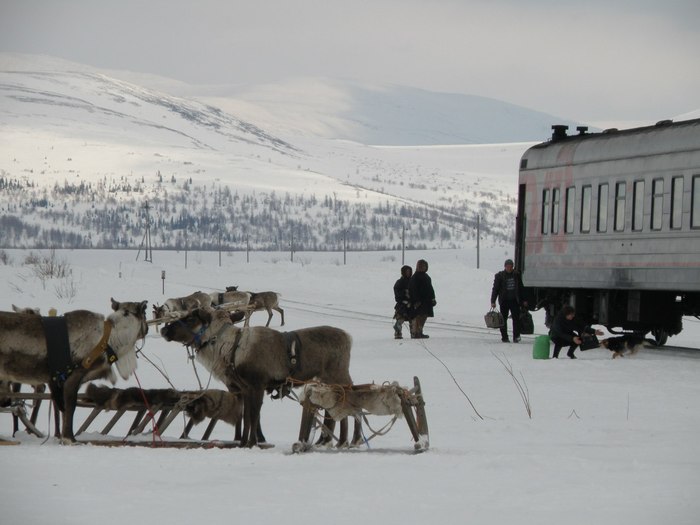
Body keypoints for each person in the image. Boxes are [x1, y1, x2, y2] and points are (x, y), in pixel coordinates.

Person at [490, 258, 526, 343]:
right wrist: (493, 301)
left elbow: (521, 289)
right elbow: (495, 289)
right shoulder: (500, 276)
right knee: (503, 320)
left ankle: (516, 336)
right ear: (505, 267)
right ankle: (504, 337)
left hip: (514, 301)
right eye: (508, 266)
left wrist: (524, 300)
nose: (509, 268)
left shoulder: (516, 275)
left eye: (511, 266)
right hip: (504, 301)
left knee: (516, 319)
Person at [409, 259, 436, 339]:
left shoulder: (427, 277)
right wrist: (416, 300)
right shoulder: (415, 277)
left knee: (424, 316)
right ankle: (416, 333)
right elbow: (413, 289)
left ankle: (419, 332)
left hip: (426, 301)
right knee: (418, 316)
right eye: (420, 266)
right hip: (419, 301)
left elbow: (430, 289)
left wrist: (433, 298)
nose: (421, 267)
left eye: (423, 266)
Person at [392, 265, 413, 339]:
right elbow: (397, 292)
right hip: (402, 304)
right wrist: (403, 297)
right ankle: (398, 332)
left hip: (411, 304)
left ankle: (414, 333)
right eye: (407, 271)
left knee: (413, 319)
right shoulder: (400, 282)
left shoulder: (413, 281)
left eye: (409, 271)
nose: (408, 273)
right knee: (400, 319)